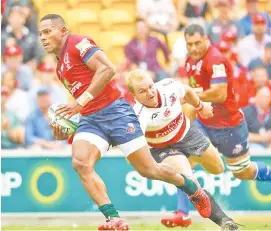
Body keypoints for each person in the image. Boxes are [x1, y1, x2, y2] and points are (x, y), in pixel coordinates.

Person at [38, 14, 212, 231]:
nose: (43, 38)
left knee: (149, 170)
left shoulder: (77, 43)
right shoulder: (59, 68)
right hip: (91, 119)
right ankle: (114, 219)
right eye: (40, 34)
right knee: (80, 163)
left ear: (62, 31)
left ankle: (193, 189)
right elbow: (80, 105)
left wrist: (79, 103)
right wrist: (62, 132)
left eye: (47, 32)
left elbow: (107, 70)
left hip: (116, 112)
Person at [164, 23, 271, 225]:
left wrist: (190, 97)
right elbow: (194, 97)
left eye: (198, 42)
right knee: (184, 161)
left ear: (207, 40)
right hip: (205, 124)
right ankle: (183, 212)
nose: (194, 47)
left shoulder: (215, 59)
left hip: (230, 126)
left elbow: (219, 93)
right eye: (189, 44)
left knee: (243, 172)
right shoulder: (189, 62)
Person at [127, 69, 240, 230]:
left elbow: (187, 91)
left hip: (187, 134)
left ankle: (189, 160)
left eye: (150, 87)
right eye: (142, 91)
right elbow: (133, 145)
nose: (150, 93)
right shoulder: (138, 116)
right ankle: (225, 222)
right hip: (163, 148)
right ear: (134, 96)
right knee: (189, 181)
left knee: (218, 168)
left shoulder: (168, 86)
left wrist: (200, 106)